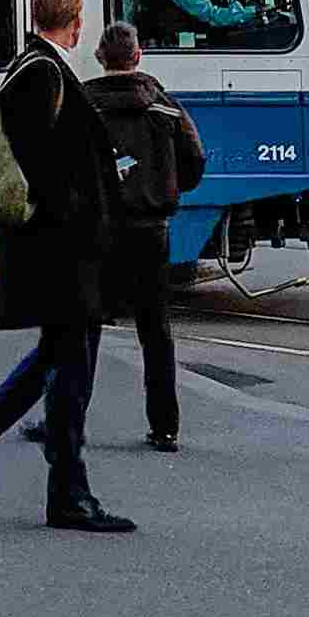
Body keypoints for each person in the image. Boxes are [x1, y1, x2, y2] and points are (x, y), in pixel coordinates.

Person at [0, 0, 132, 533]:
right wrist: (85, 204)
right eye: (81, 11)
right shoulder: (42, 73)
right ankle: (67, 493)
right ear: (72, 18)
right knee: (70, 369)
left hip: (62, 250)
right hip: (61, 251)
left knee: (58, 361)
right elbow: (41, 164)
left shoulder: (38, 66)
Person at [80, 23, 204, 453]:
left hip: (99, 229)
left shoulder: (83, 105)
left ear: (101, 58)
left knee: (85, 327)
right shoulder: (162, 105)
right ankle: (164, 427)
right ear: (137, 57)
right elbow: (195, 160)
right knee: (156, 329)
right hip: (152, 228)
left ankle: (69, 419)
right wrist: (165, 187)